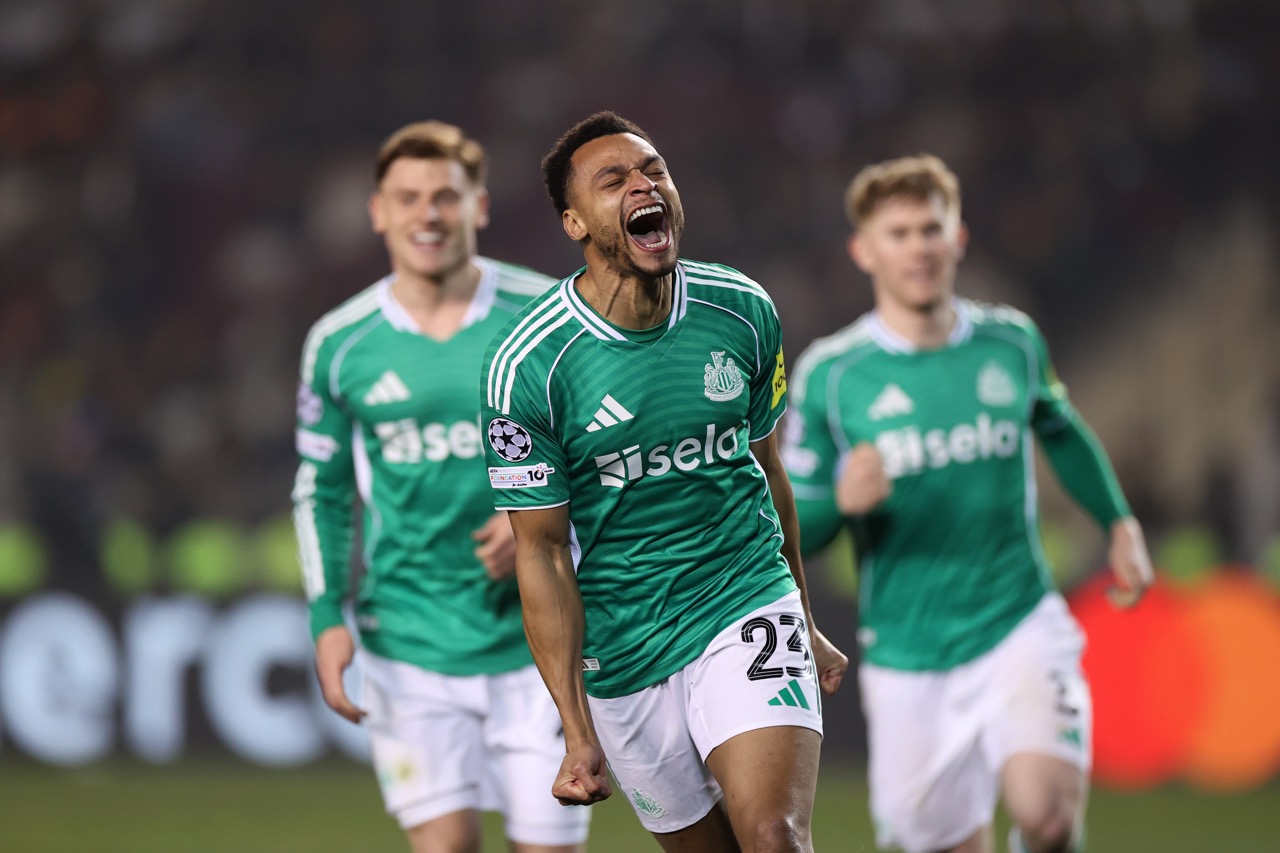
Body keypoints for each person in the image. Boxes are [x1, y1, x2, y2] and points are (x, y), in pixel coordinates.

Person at [479, 111, 848, 853]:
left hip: (742, 599)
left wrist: (800, 615)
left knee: (774, 836)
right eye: (614, 179)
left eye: (655, 170)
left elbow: (767, 473)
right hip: (624, 646)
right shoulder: (528, 365)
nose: (645, 185)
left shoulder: (741, 312)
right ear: (575, 221)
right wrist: (577, 730)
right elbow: (542, 553)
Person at [782, 154, 1155, 853]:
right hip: (908, 653)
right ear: (864, 250)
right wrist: (841, 499)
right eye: (898, 233)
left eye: (931, 228)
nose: (918, 246)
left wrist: (1119, 521)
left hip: (1017, 620)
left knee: (1046, 817)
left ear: (958, 238)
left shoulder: (1010, 342)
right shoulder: (832, 374)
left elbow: (1060, 426)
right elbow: (798, 529)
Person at [291, 120, 590, 853]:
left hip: (539, 640)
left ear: (479, 207)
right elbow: (321, 490)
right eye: (408, 197)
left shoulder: (549, 315)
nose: (428, 214)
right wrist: (329, 613)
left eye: (445, 197)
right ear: (378, 212)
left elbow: (607, 449)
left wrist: (549, 517)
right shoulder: (341, 342)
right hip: (409, 640)